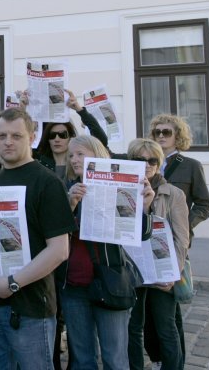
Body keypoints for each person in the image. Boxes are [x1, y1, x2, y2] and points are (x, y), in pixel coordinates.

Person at [0, 107, 75, 369]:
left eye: (16, 136)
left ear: (32, 137)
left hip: (30, 306)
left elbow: (59, 250)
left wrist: (12, 283)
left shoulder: (47, 183)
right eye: (1, 136)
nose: (8, 142)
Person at [58, 135, 155, 370]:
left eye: (80, 154)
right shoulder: (66, 189)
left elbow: (141, 235)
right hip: (74, 285)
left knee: (115, 358)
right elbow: (53, 236)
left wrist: (144, 208)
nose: (74, 160)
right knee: (82, 359)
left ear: (97, 155)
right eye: (71, 155)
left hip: (110, 281)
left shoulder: (120, 185)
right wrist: (70, 206)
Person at [148, 113, 209, 365]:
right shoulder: (147, 161)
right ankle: (157, 357)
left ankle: (175, 361)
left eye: (166, 132)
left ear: (178, 136)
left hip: (174, 244)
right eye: (157, 132)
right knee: (149, 313)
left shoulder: (190, 165)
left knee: (168, 310)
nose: (161, 136)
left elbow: (204, 204)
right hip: (146, 242)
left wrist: (185, 224)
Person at [127, 138, 190, 370]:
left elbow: (182, 238)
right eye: (140, 160)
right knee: (133, 326)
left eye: (152, 160)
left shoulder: (173, 194)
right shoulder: (123, 190)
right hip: (133, 269)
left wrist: (173, 272)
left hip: (162, 269)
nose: (147, 165)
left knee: (165, 325)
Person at [31, 89, 108, 179]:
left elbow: (100, 140)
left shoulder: (78, 164)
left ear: (70, 137)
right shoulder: (39, 162)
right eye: (52, 135)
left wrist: (79, 110)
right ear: (48, 139)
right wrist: (24, 109)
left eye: (62, 135)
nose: (57, 139)